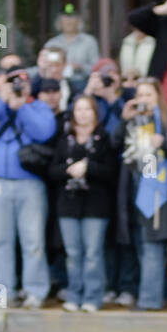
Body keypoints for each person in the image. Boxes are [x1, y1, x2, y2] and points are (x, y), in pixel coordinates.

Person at [0, 66, 57, 309]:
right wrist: (2, 100)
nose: (18, 86)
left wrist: (22, 107)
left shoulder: (37, 107)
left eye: (22, 83)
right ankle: (3, 292)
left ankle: (35, 291)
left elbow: (45, 131)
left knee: (33, 241)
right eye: (13, 82)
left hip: (30, 184)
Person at [115, 76, 167, 310]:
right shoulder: (134, 122)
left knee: (152, 246)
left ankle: (149, 301)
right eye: (139, 95)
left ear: (158, 98)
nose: (143, 100)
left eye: (148, 95)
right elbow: (114, 145)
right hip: (135, 189)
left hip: (158, 191)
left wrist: (164, 143)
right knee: (143, 246)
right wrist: (124, 121)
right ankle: (160, 295)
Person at [49, 95, 119, 312]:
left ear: (95, 113)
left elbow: (111, 172)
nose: (83, 114)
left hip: (95, 206)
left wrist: (89, 167)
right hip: (68, 205)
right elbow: (52, 170)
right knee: (72, 253)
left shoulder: (104, 139)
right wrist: (68, 170)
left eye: (87, 109)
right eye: (78, 109)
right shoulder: (64, 140)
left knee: (92, 254)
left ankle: (92, 296)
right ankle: (74, 294)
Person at [42, 5, 100, 82]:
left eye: (72, 17)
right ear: (60, 21)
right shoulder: (52, 43)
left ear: (78, 21)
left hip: (82, 82)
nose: (68, 21)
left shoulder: (89, 41)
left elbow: (97, 67)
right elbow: (44, 67)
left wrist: (80, 67)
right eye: (65, 17)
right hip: (57, 84)